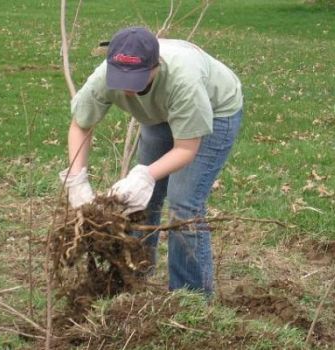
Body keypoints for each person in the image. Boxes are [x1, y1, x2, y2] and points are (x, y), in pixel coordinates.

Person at [59, 27, 243, 295]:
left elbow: (185, 149)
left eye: (136, 79)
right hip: (159, 115)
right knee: (141, 199)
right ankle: (133, 277)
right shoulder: (104, 76)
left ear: (156, 67)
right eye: (120, 78)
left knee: (184, 204)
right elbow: (81, 125)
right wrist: (77, 179)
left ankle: (189, 298)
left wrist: (145, 174)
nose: (127, 89)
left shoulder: (183, 81)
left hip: (216, 111)